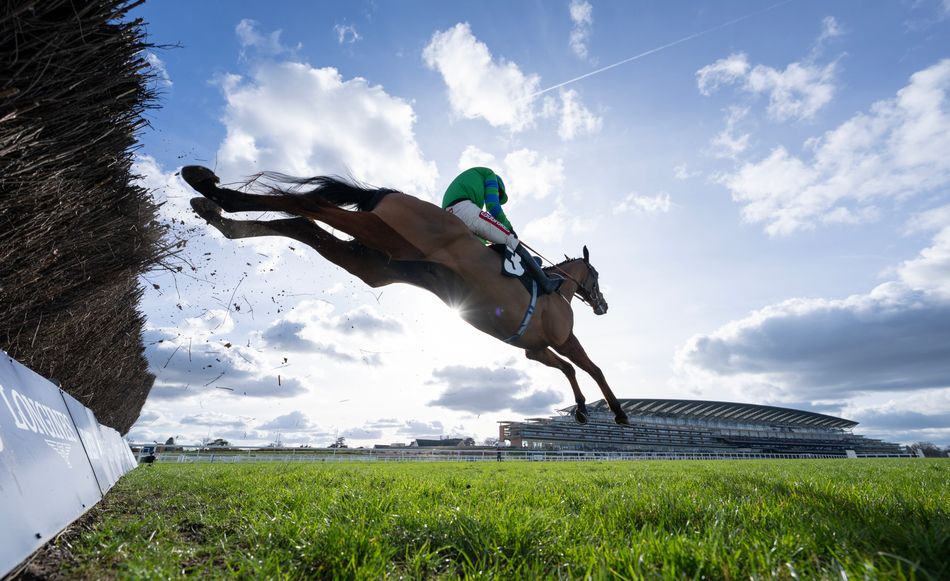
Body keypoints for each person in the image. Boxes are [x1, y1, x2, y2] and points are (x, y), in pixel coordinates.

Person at [442, 167, 562, 294]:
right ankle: (545, 281)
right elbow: (493, 207)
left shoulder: (473, 184)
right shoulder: (490, 175)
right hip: (462, 209)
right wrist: (509, 229)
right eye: (498, 195)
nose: (497, 197)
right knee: (509, 239)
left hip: (448, 215)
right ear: (498, 186)